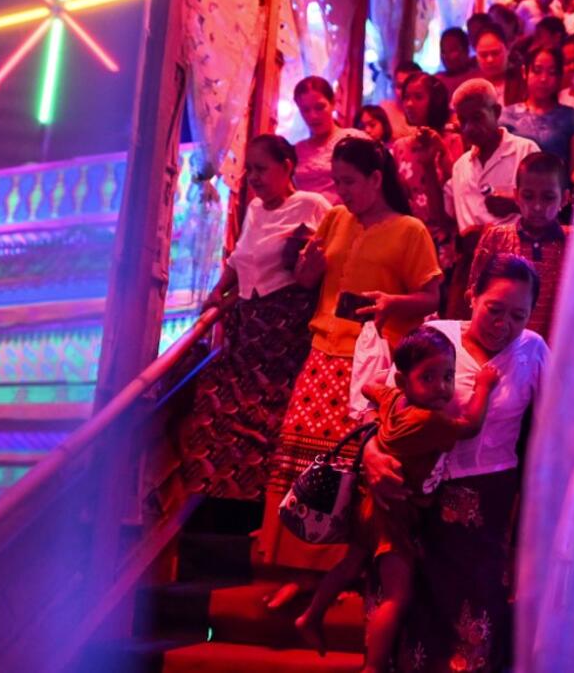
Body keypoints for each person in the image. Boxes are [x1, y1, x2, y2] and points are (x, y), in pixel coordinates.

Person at [260, 137, 443, 571]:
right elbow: (308, 282)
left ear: (377, 179)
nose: (342, 191)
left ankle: (333, 568)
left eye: (350, 182)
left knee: (347, 460)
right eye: (338, 182)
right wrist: (308, 266)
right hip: (323, 349)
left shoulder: (408, 230)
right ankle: (287, 563)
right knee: (298, 451)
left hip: (373, 361)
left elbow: (431, 296)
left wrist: (391, 303)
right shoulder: (337, 219)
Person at [361, 254, 550, 673]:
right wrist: (372, 454)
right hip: (412, 494)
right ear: (471, 297)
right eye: (494, 309)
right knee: (411, 601)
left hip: (487, 503)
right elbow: (383, 405)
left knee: (474, 607)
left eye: (518, 315)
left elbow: (560, 429)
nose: (504, 324)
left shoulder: (532, 351)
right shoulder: (434, 337)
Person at [295, 327, 502, 672]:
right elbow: (469, 425)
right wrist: (483, 386)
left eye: (448, 376)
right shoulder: (428, 420)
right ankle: (373, 667)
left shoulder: (394, 401)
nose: (441, 386)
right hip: (394, 517)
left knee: (351, 563)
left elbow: (369, 387)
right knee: (397, 594)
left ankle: (312, 615)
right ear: (406, 382)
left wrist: (388, 385)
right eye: (429, 377)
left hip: (368, 506)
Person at [180, 134, 330, 500]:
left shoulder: (312, 205)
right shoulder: (255, 209)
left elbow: (329, 257)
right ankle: (216, 492)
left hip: (284, 329)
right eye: (249, 170)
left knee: (265, 413)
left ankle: (260, 498)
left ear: (287, 166)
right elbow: (240, 258)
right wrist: (219, 291)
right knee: (214, 400)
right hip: (247, 324)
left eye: (261, 169)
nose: (254, 178)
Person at [443, 79, 539, 318]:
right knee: (461, 343)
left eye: (477, 118)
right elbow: (449, 218)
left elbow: (548, 208)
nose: (469, 128)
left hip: (512, 268)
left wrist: (515, 202)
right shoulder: (460, 166)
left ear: (496, 112)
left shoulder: (525, 151)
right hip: (468, 269)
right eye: (463, 121)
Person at [469, 153, 571, 343]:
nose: (537, 206)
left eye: (548, 198)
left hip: (559, 349)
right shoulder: (496, 237)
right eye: (528, 196)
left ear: (564, 198)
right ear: (516, 195)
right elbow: (475, 294)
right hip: (502, 347)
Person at [391, 73, 466, 284]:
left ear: (436, 100)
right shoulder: (400, 146)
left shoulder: (453, 141)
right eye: (406, 97)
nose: (409, 104)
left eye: (418, 97)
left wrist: (440, 155)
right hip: (411, 238)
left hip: (446, 240)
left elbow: (457, 191)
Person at [500, 47, 574, 183]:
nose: (544, 79)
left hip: (557, 195)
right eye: (537, 71)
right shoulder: (506, 116)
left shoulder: (572, 117)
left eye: (552, 72)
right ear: (525, 72)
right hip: (516, 193)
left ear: (560, 76)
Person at [293, 76, 369, 204]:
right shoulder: (297, 150)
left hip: (345, 218)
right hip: (305, 220)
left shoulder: (354, 140)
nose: (313, 116)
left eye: (319, 107)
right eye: (305, 110)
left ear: (333, 103)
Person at [475, 25, 527, 106]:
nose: (490, 60)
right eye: (483, 55)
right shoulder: (472, 87)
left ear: (507, 50)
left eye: (495, 53)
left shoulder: (523, 79)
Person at [437, 27, 480, 96]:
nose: (447, 56)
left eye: (452, 51)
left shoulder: (478, 79)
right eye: (443, 51)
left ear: (466, 51)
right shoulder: (436, 81)